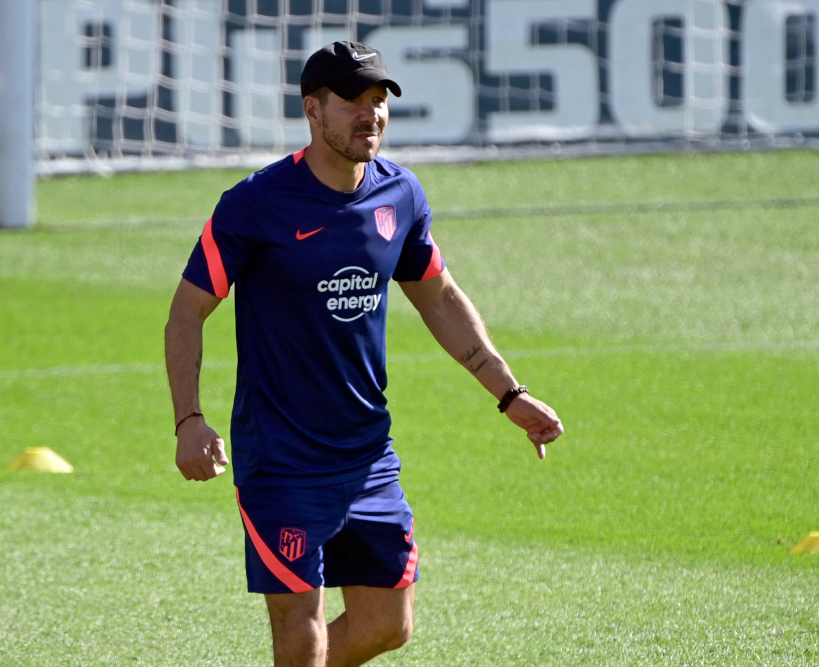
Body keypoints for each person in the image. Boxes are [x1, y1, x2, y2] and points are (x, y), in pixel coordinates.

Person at [163, 41, 564, 667]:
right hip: (281, 458)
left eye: (378, 102)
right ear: (313, 110)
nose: (369, 114)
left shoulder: (399, 194)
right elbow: (187, 311)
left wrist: (509, 393)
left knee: (387, 623)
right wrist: (189, 419)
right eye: (352, 100)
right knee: (302, 625)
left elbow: (438, 298)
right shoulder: (256, 204)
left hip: (367, 453)